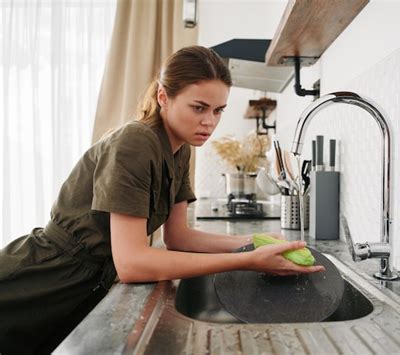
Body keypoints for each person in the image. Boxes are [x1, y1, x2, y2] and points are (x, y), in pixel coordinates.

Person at [0, 46, 325, 354]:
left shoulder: (180, 149)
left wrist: (255, 241)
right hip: (35, 282)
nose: (209, 122)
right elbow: (131, 264)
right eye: (198, 108)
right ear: (163, 97)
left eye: (218, 111)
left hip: (83, 288)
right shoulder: (136, 142)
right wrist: (245, 260)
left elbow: (178, 238)